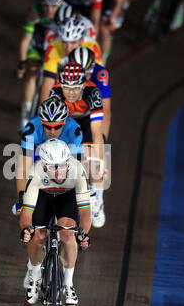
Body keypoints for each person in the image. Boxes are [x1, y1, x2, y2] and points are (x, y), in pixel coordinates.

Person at [19, 138, 91, 306]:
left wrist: (83, 233)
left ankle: (68, 283)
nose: (59, 172)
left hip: (67, 198)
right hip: (43, 197)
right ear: (44, 166)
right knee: (37, 236)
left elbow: (86, 211)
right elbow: (27, 212)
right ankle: (35, 276)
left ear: (68, 162)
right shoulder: (35, 172)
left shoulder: (78, 170)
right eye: (52, 167)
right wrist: (26, 229)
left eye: (62, 165)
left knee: (67, 234)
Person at [49, 61, 106, 228]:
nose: (71, 93)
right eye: (67, 87)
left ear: (83, 84)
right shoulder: (56, 92)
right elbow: (51, 128)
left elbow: (96, 132)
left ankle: (97, 198)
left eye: (75, 88)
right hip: (67, 122)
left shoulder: (93, 92)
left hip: (87, 123)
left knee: (91, 156)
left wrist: (99, 163)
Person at [14, 95, 83, 215]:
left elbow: (76, 170)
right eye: (47, 126)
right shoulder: (31, 129)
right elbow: (23, 168)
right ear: (41, 122)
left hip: (64, 159)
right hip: (39, 153)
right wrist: (22, 196)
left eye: (57, 126)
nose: (52, 131)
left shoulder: (75, 132)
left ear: (64, 122)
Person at [16, 0, 65, 131]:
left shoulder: (65, 13)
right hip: (37, 47)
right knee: (31, 73)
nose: (49, 10)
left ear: (60, 4)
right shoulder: (35, 12)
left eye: (53, 6)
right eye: (46, 5)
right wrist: (22, 63)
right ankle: (25, 115)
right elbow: (25, 40)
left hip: (56, 48)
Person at [40, 17, 102, 101]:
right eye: (64, 42)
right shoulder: (53, 47)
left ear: (81, 40)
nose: (68, 48)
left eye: (73, 42)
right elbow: (48, 83)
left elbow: (98, 82)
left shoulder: (92, 47)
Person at [69, 45, 111, 142]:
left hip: (90, 117)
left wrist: (103, 140)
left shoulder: (101, 74)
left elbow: (106, 112)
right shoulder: (62, 75)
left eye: (86, 75)